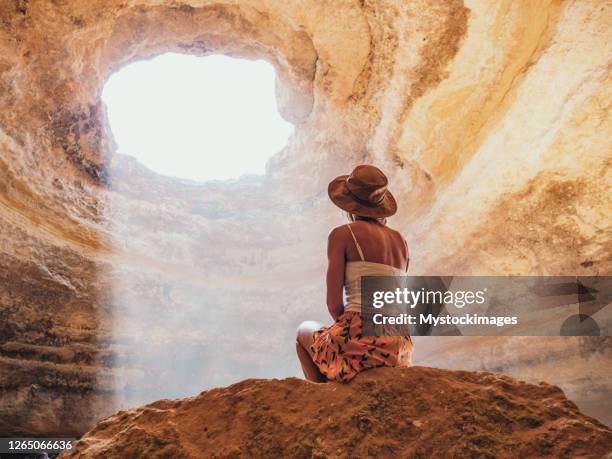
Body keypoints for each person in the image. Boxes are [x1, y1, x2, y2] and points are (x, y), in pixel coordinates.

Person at [296, 164, 413, 383]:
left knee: (304, 331)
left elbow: (333, 304)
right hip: (399, 343)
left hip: (361, 338)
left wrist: (347, 335)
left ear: (349, 205)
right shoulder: (402, 242)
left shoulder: (343, 235)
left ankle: (322, 394)